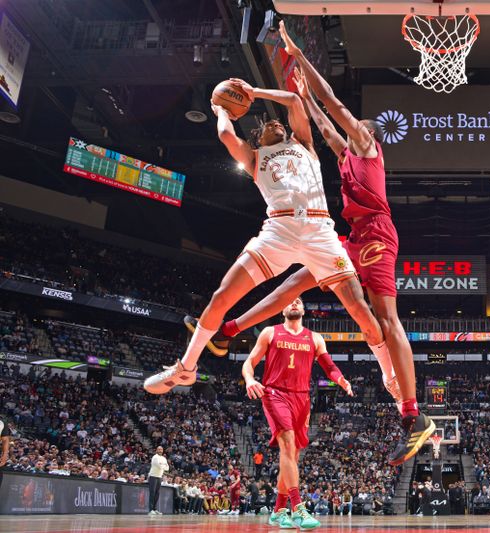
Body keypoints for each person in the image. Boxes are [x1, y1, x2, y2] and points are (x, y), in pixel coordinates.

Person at [182, 21, 435, 467]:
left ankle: (412, 413)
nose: (351, 129)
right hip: (348, 236)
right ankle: (229, 331)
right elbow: (321, 120)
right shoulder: (346, 154)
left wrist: (299, 58)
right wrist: (304, 95)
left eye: (359, 128)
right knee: (291, 287)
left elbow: (334, 107)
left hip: (376, 233)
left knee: (383, 316)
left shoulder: (368, 148)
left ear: (368, 134)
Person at [143, 72, 383, 405]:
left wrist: (254, 92)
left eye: (280, 125)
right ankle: (186, 367)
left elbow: (296, 102)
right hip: (278, 231)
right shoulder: (254, 158)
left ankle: (393, 379)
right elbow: (227, 136)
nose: (276, 125)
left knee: (359, 308)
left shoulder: (303, 144)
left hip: (318, 230)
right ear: (259, 136)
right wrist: (221, 109)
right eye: (270, 126)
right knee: (222, 296)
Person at [243, 296, 353, 530]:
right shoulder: (270, 333)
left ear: (304, 309)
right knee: (287, 443)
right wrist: (250, 379)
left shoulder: (314, 338)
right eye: (289, 301)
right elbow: (250, 361)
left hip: (302, 398)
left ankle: (278, 511)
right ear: (282, 309)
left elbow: (328, 366)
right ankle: (299, 509)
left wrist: (341, 380)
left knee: (293, 456)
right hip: (274, 393)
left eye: (299, 301)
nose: (294, 303)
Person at [148, 446, 169, 515]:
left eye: (161, 449)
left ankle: (155, 509)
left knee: (157, 494)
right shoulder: (155, 457)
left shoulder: (164, 458)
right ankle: (150, 510)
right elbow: (158, 466)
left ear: (162, 450)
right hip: (153, 476)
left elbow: (167, 468)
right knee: (152, 493)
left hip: (159, 477)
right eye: (159, 449)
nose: (160, 450)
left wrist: (163, 466)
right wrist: (163, 466)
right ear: (156, 450)